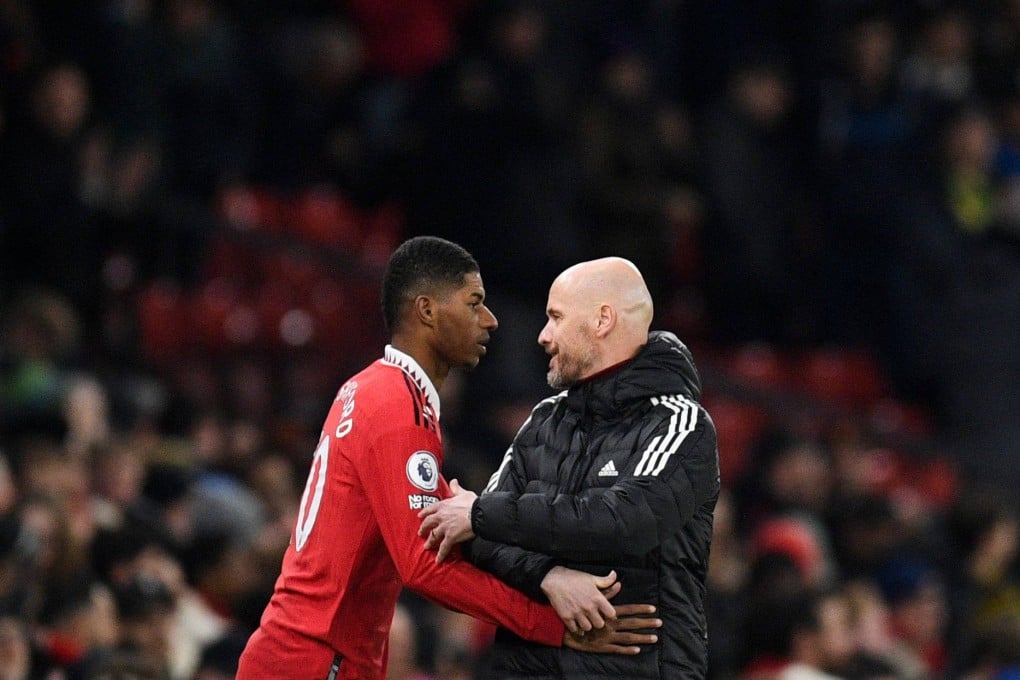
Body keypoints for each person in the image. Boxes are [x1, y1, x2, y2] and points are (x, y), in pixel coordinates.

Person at [236, 238, 660, 680]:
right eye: (474, 303)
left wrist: (549, 579)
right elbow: (423, 564)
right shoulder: (398, 410)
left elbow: (453, 530)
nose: (490, 320)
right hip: (316, 659)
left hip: (310, 653)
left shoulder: (369, 388)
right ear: (427, 311)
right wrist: (551, 626)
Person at [419, 256, 720, 679]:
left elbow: (623, 521)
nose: (543, 336)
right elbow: (479, 543)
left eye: (555, 317)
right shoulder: (544, 420)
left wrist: (482, 514)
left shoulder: (678, 423)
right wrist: (547, 576)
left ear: (602, 320)